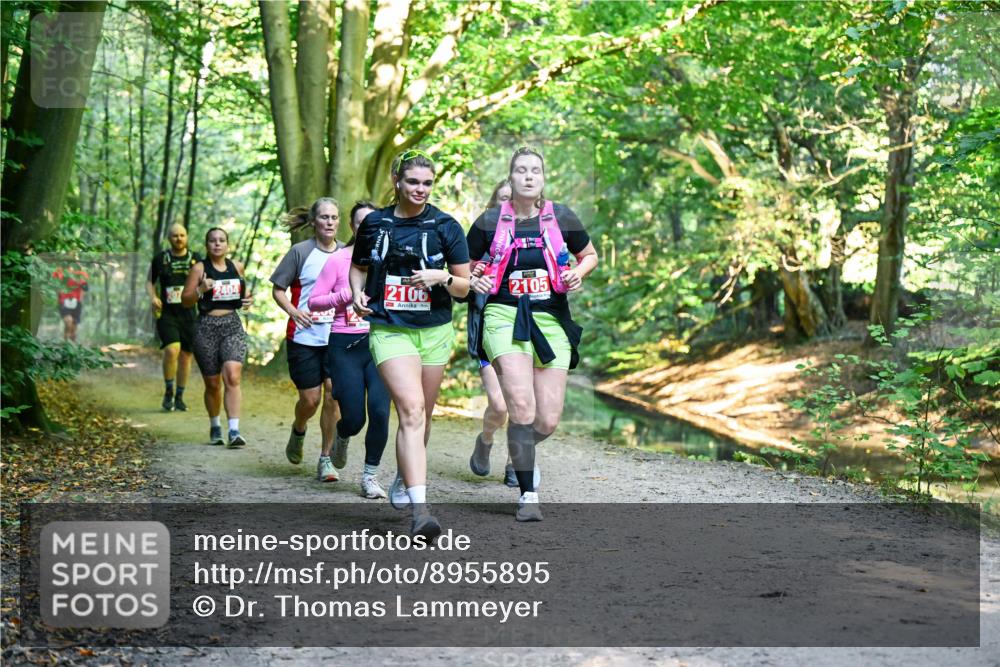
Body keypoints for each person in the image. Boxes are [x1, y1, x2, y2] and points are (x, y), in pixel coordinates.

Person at [467, 147, 598, 521]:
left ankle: (517, 447)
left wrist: (579, 273)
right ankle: (528, 495)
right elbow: (463, 264)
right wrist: (475, 276)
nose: (527, 176)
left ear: (542, 178)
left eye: (534, 171)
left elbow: (590, 255)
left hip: (550, 315)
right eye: (521, 170)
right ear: (510, 177)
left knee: (547, 421)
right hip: (503, 313)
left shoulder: (562, 217)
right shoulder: (489, 222)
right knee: (521, 407)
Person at [350, 150, 471, 537]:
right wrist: (356, 294)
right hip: (389, 328)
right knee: (412, 411)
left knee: (424, 419)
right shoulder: (375, 223)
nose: (420, 190)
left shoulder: (447, 226)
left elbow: (465, 288)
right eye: (412, 182)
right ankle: (422, 512)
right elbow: (359, 265)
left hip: (434, 331)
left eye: (426, 183)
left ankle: (406, 478)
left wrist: (441, 278)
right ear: (397, 182)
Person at [308, 200, 391, 498]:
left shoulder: (391, 258)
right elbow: (314, 302)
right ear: (353, 227)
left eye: (374, 222)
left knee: (380, 412)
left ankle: (370, 476)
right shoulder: (339, 260)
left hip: (383, 343)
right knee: (354, 418)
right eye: (361, 223)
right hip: (345, 344)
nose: (368, 227)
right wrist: (345, 295)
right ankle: (343, 434)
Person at [270, 198, 343, 481]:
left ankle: (326, 459)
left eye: (334, 217)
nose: (329, 222)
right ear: (313, 222)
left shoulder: (347, 253)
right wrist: (293, 311)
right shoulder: (300, 252)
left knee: (333, 396)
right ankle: (299, 427)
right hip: (304, 336)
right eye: (324, 217)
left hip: (337, 336)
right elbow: (278, 290)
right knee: (310, 400)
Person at [466, 179, 531, 489]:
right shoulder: (479, 252)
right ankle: (486, 438)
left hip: (524, 335)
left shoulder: (534, 244)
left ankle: (513, 463)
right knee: (500, 404)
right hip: (487, 336)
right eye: (503, 200)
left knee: (521, 402)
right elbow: (460, 283)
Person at [182, 228, 253, 448]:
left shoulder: (237, 267)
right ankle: (215, 425)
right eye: (213, 241)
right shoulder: (199, 268)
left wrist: (247, 301)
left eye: (222, 240)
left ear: (227, 245)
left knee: (232, 375)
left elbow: (243, 296)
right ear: (207, 245)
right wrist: (201, 289)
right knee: (212, 384)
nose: (217, 244)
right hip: (206, 327)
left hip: (231, 325)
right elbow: (185, 300)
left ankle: (234, 430)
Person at [146, 223, 200, 412]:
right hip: (168, 313)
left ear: (187, 237)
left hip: (190, 314)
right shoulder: (160, 259)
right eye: (175, 235)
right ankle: (169, 390)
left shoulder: (196, 259)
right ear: (169, 238)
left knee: (186, 355)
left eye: (182, 235)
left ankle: (179, 396)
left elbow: (207, 280)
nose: (179, 239)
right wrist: (153, 297)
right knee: (171, 350)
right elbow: (150, 282)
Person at [53, 266, 88, 342]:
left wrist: (81, 281)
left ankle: (72, 347)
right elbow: (53, 279)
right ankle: (65, 343)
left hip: (76, 303)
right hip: (64, 302)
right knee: (68, 321)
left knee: (73, 329)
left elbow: (86, 288)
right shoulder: (61, 272)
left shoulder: (80, 275)